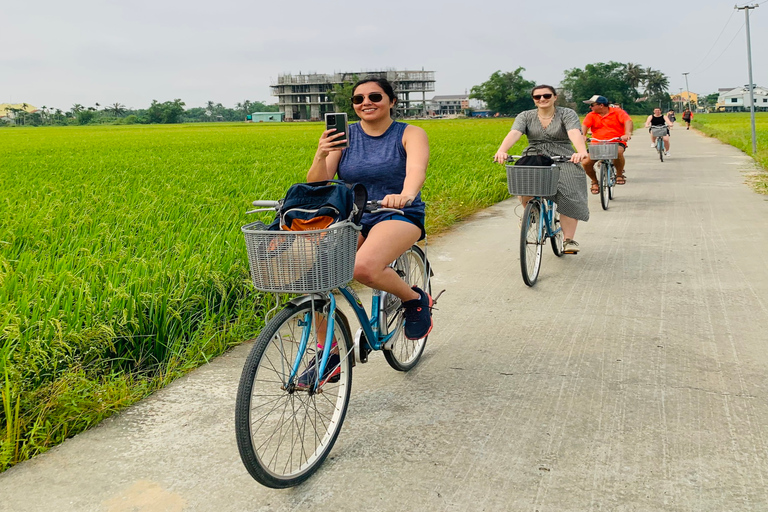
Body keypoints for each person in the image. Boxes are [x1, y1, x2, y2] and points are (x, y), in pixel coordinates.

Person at [308, 77, 433, 343]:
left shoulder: (409, 133)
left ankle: (413, 299)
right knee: (312, 277)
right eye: (358, 99)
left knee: (363, 268)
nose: (366, 102)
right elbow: (318, 185)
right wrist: (320, 155)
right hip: (352, 216)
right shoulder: (345, 135)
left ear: (392, 101)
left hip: (397, 213)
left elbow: (416, 170)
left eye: (375, 97)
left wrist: (406, 195)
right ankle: (329, 354)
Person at [493, 85, 590, 254]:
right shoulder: (525, 116)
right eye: (537, 97)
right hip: (535, 154)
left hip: (563, 155)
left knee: (570, 191)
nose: (542, 99)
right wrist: (502, 150)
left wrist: (580, 151)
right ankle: (531, 212)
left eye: (546, 95)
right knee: (524, 181)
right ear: (534, 100)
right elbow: (515, 132)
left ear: (554, 97)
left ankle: (568, 240)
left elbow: (574, 132)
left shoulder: (566, 114)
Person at [580, 95, 633, 191]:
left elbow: (628, 121)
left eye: (592, 105)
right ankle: (594, 182)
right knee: (585, 162)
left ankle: (619, 174)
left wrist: (627, 133)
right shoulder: (591, 115)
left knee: (618, 152)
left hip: (616, 141)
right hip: (597, 143)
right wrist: (583, 135)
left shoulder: (617, 112)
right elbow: (584, 125)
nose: (590, 107)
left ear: (601, 105)